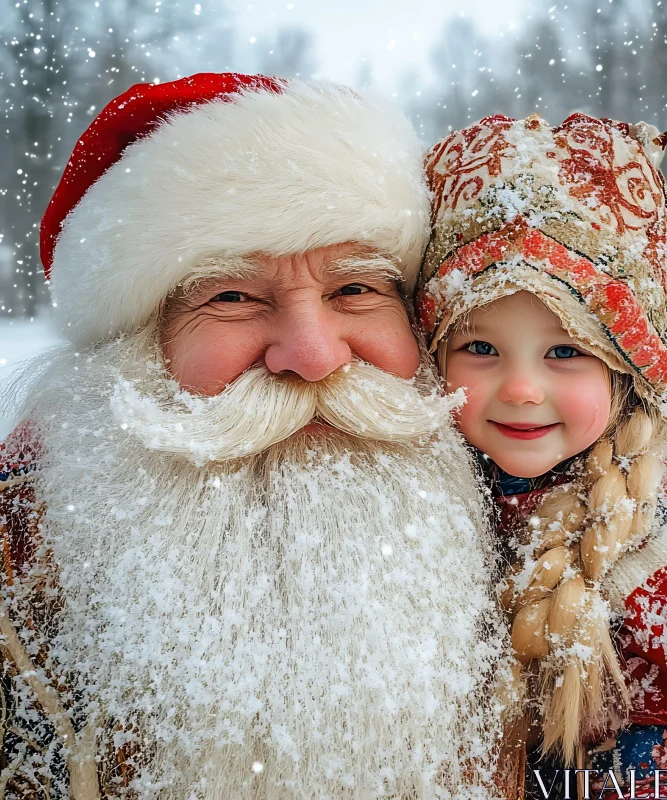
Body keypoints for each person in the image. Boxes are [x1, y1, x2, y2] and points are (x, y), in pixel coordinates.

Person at [0, 74, 523, 799]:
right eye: (233, 297)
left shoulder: (549, 511)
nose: (313, 356)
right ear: (137, 348)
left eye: (355, 290)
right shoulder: (17, 565)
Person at [415, 111, 667, 798]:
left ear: (633, 369)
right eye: (480, 348)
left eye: (566, 351)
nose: (523, 387)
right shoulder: (426, 495)